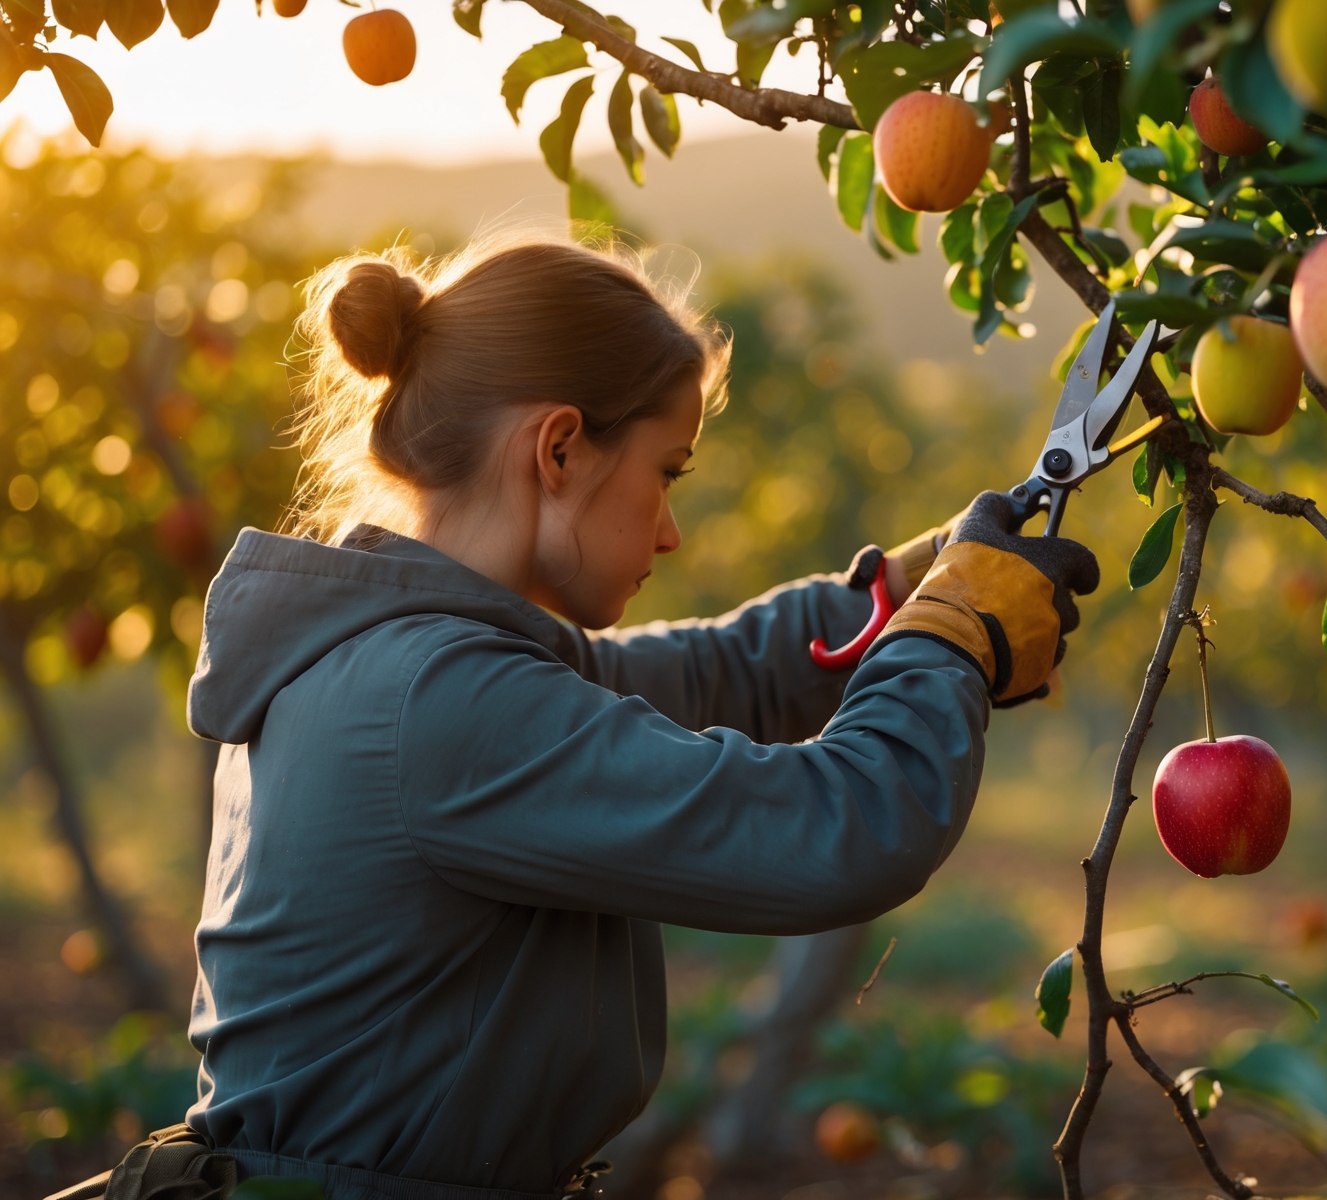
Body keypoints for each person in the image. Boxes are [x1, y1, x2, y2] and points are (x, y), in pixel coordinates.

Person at [176, 236, 1100, 1200]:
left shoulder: (390, 658)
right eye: (668, 472)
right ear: (559, 449)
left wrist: (905, 589)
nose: (669, 531)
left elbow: (703, 674)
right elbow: (846, 825)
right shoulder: (442, 702)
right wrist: (952, 637)